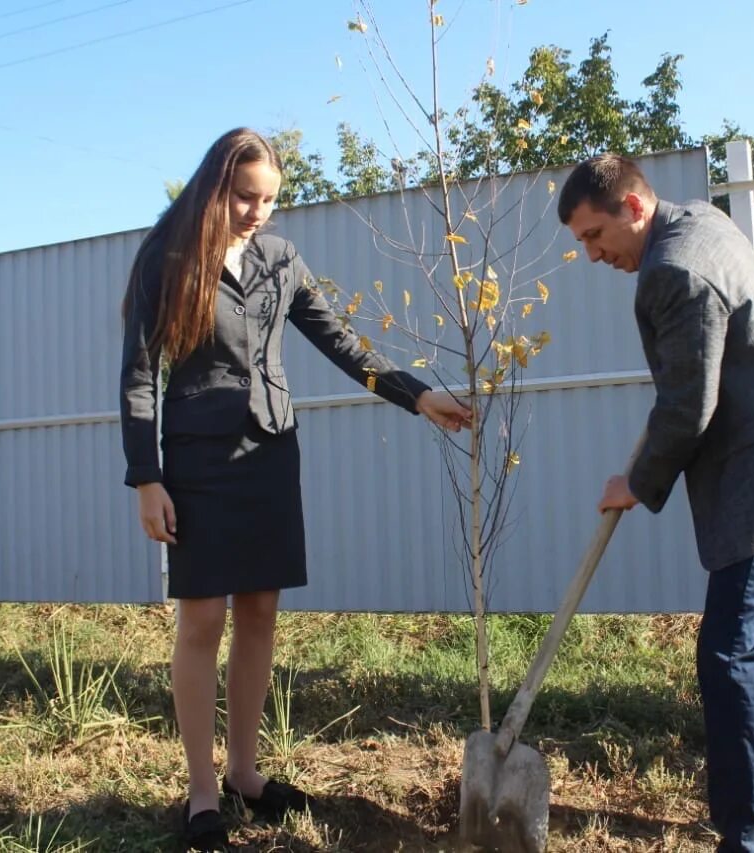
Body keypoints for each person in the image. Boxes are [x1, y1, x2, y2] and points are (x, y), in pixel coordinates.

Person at [119, 127, 471, 851]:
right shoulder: (168, 259)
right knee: (200, 622)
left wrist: (416, 394)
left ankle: (246, 773)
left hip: (270, 457)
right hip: (198, 463)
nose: (258, 211)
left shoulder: (281, 260)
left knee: (258, 613)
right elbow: (137, 378)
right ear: (217, 187)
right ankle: (203, 793)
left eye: (270, 200)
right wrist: (146, 477)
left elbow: (341, 342)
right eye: (246, 196)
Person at [557, 154, 754, 853]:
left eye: (595, 236)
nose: (594, 256)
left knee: (729, 654)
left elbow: (689, 405)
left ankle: (753, 839)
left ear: (632, 207)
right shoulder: (699, 220)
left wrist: (636, 480)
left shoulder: (672, 270)